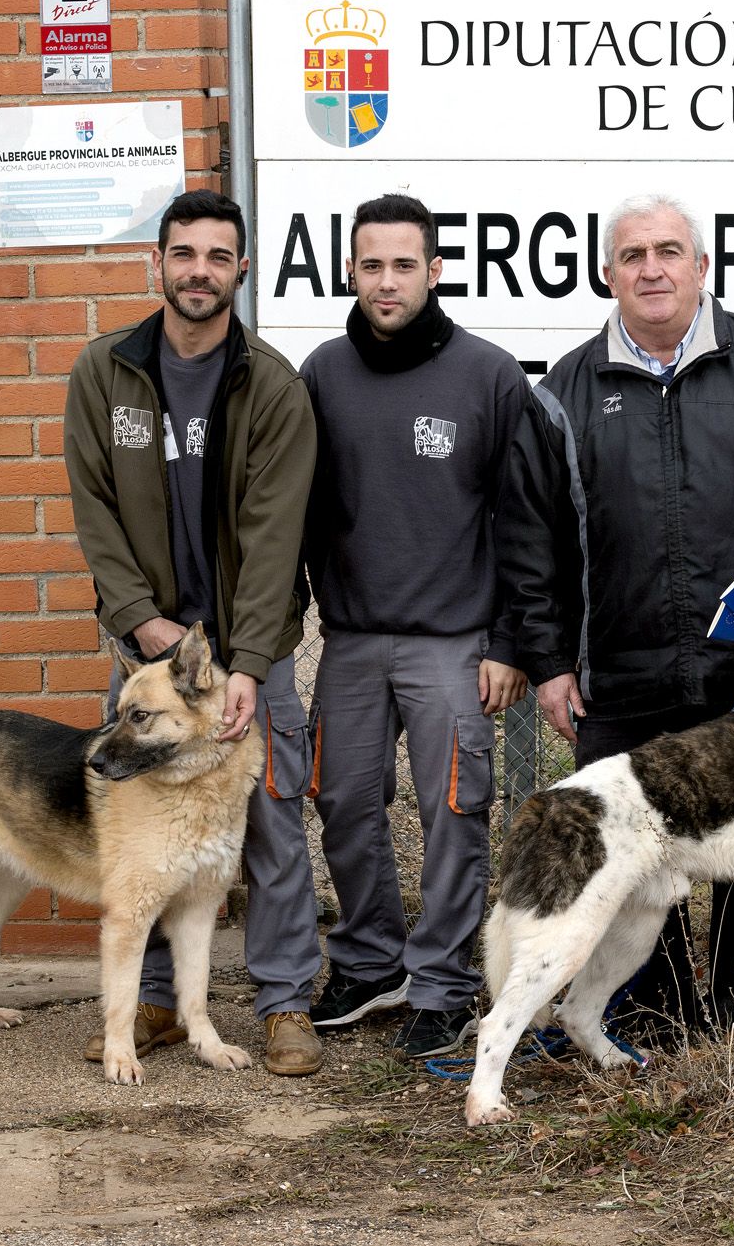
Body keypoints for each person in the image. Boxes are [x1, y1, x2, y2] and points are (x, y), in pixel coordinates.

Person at [498, 192, 734, 1035]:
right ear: (607, 274)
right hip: (621, 675)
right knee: (631, 855)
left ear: (702, 267)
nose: (652, 269)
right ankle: (658, 1017)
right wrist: (550, 663)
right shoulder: (561, 395)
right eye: (632, 256)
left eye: (669, 251)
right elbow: (528, 543)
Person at [62, 189, 326, 1076]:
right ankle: (157, 1002)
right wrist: (141, 621)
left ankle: (285, 1001)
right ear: (158, 262)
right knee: (146, 833)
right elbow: (94, 510)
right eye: (184, 253)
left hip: (248, 658)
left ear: (241, 269)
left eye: (218, 256)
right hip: (149, 655)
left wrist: (244, 663)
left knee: (272, 828)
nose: (199, 271)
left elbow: (276, 537)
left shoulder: (273, 385)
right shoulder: (105, 371)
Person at [298, 193, 530, 1059]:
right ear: (349, 272)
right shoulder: (321, 373)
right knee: (342, 801)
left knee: (454, 813)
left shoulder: (488, 375)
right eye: (372, 265)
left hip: (454, 642)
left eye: (404, 265)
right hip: (352, 638)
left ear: (434, 270)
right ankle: (369, 961)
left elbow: (526, 521)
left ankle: (441, 984)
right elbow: (293, 509)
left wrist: (510, 639)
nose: (387, 281)